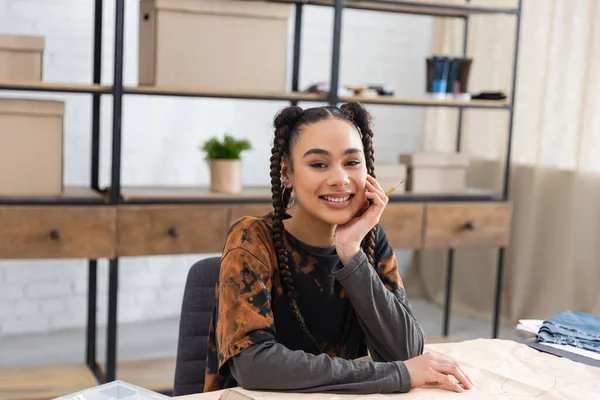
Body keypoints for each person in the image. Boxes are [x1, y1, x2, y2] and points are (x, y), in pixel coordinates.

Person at [203, 102, 473, 395]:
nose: (339, 179)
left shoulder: (368, 240)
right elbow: (254, 366)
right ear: (287, 172)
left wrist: (351, 253)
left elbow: (407, 351)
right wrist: (395, 374)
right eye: (318, 164)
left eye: (352, 162)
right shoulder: (252, 239)